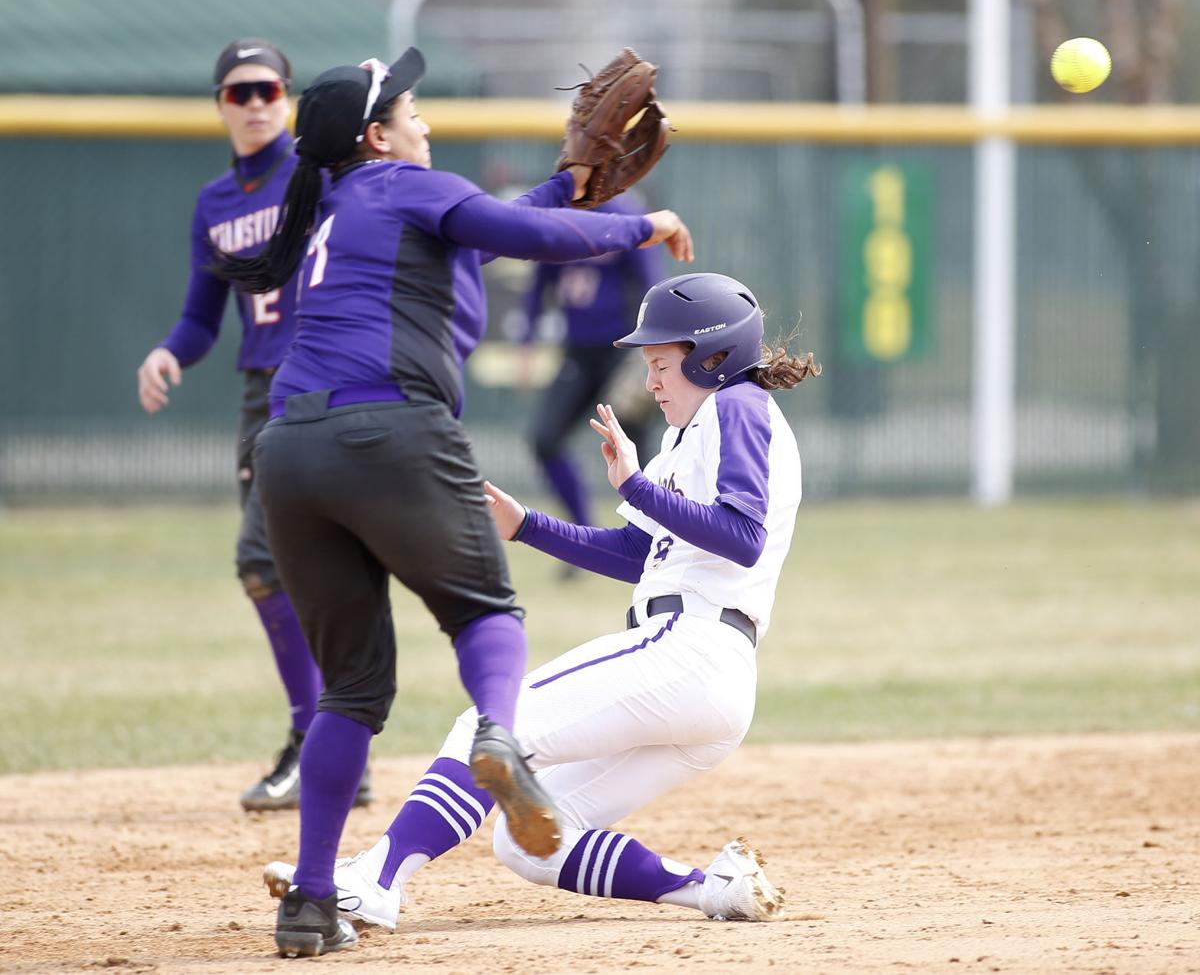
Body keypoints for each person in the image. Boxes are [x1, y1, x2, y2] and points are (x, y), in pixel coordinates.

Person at [208, 48, 693, 958]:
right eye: (412, 110)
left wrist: (567, 184)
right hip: (387, 430)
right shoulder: (398, 185)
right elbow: (529, 238)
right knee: (488, 613)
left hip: (289, 454)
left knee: (352, 689)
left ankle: (311, 901)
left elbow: (502, 219)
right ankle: (500, 740)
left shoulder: (347, 203)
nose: (423, 122)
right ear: (376, 137)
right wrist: (640, 224)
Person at [262, 272, 821, 934]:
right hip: (708, 681)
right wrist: (529, 525)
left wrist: (637, 486)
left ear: (713, 357)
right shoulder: (697, 430)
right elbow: (641, 555)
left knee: (487, 727)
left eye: (662, 362)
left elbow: (742, 537)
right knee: (531, 837)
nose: (651, 382)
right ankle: (711, 887)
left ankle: (377, 878)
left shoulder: (738, 405)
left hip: (690, 649)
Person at [134, 38, 370, 814]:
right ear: (221, 106)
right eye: (240, 92)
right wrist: (169, 352)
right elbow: (203, 316)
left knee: (266, 559)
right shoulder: (215, 202)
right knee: (280, 569)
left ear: (290, 97)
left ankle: (317, 739)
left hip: (322, 377)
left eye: (269, 88)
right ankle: (333, 745)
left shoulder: (318, 171)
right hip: (258, 390)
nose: (257, 102)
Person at [519, 197, 664, 531]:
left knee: (634, 445)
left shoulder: (625, 215)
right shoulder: (558, 219)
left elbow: (651, 286)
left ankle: (653, 534)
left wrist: (654, 350)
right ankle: (583, 529)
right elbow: (539, 286)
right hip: (578, 354)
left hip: (623, 350)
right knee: (545, 439)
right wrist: (526, 343)